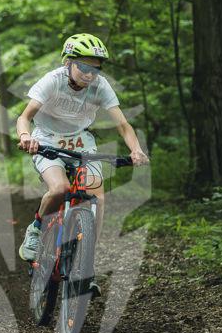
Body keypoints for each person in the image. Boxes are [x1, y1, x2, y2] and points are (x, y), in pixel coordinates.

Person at [16, 33, 149, 272]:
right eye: (84, 67)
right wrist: (26, 136)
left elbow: (122, 124)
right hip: (47, 139)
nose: (90, 74)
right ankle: (35, 230)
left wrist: (136, 149)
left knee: (97, 197)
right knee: (60, 189)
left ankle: (87, 262)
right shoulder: (52, 81)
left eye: (95, 69)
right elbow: (24, 117)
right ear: (68, 62)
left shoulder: (100, 85)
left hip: (81, 142)